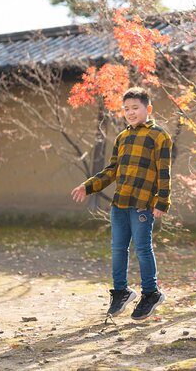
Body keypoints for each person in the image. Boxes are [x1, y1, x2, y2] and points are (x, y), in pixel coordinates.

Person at [71, 86, 172, 321]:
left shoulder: (159, 136)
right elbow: (112, 170)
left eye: (135, 108)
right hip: (120, 204)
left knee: (143, 248)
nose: (130, 112)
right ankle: (121, 291)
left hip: (142, 205)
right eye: (126, 109)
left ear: (148, 109)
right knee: (118, 249)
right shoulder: (122, 137)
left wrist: (162, 202)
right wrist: (88, 186)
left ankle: (151, 293)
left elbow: (164, 172)